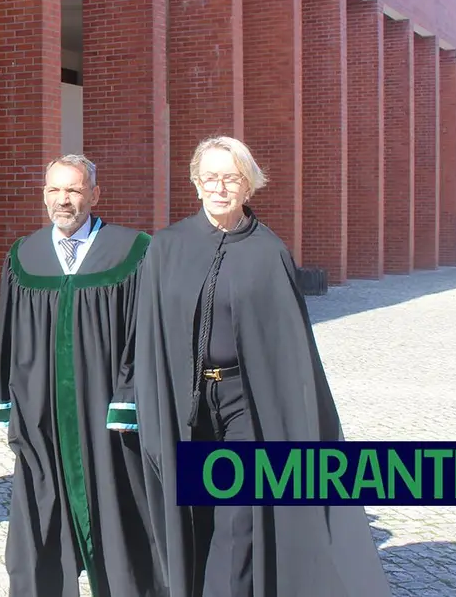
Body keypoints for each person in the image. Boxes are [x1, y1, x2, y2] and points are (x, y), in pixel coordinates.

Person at [129, 136, 392, 597]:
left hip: (243, 403)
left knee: (240, 514)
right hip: (183, 399)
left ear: (248, 186)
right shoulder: (166, 247)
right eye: (209, 177)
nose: (219, 187)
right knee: (192, 508)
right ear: (195, 183)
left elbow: (289, 348)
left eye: (231, 178)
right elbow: (146, 333)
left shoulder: (269, 253)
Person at [0, 154, 160, 597]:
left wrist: (130, 395)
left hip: (104, 414)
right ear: (44, 195)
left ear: (95, 195)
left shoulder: (132, 251)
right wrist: (4, 397)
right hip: (39, 412)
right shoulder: (24, 257)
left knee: (117, 506)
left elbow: (145, 335)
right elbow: (6, 332)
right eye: (54, 190)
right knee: (39, 509)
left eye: (74, 190)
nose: (63, 200)